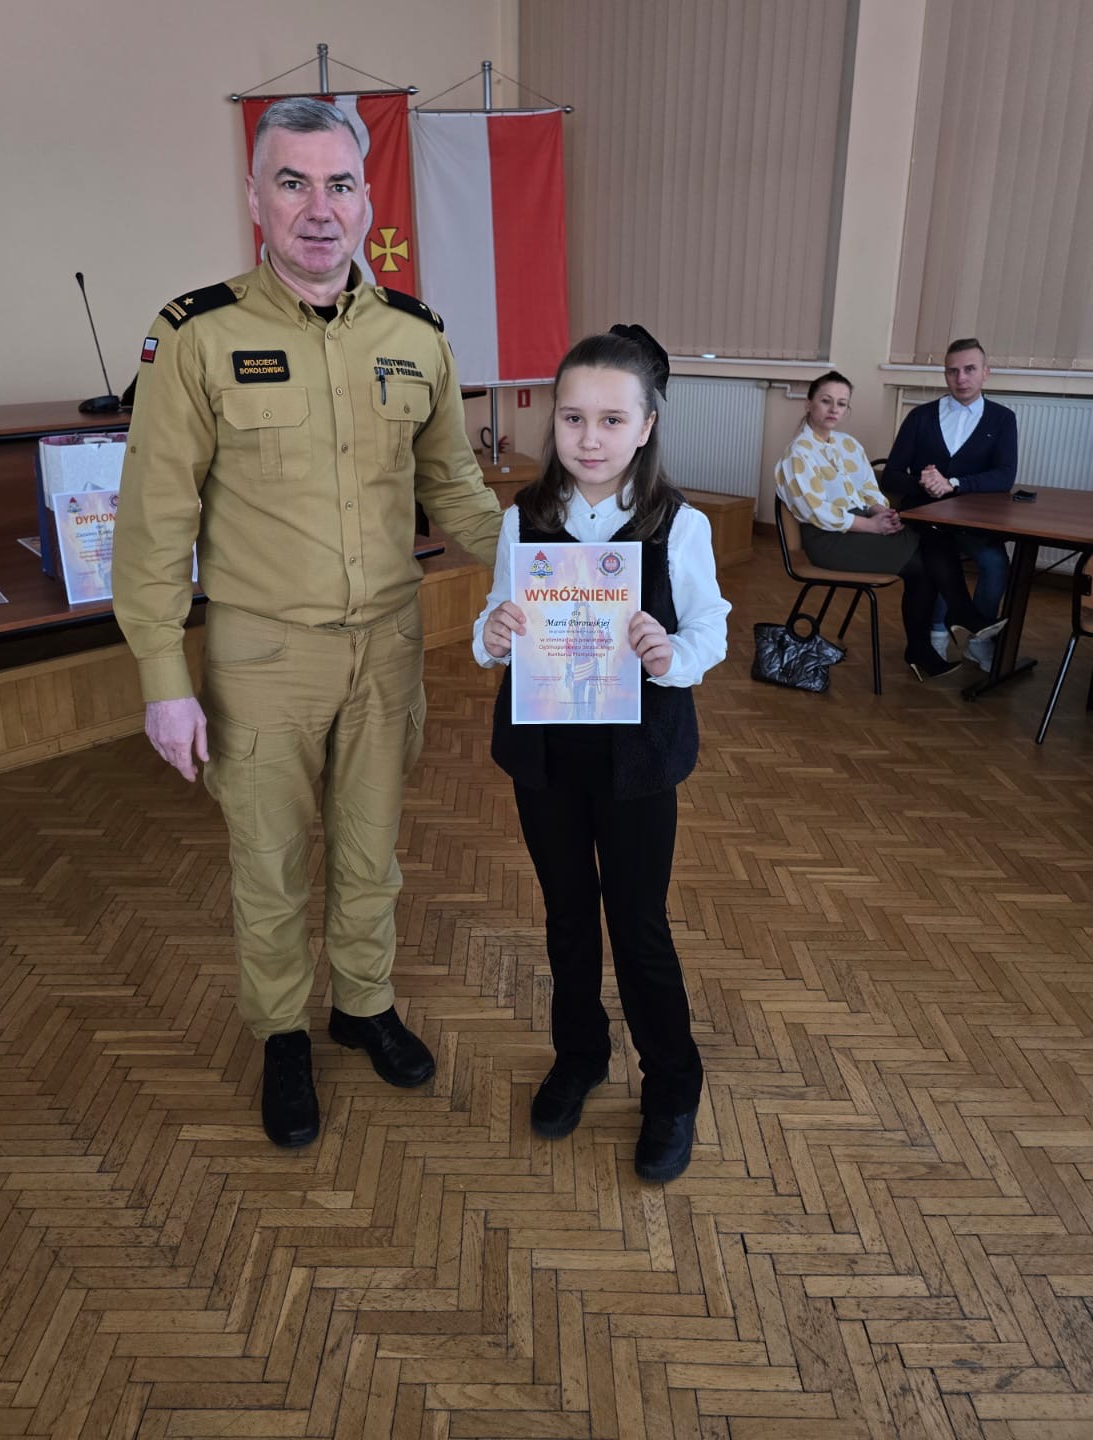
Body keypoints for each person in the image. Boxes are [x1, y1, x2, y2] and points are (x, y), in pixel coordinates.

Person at [112, 97, 504, 1151]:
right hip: (263, 656)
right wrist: (162, 679)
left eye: (338, 184)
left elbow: (456, 489)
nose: (318, 208)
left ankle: (363, 1004)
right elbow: (154, 522)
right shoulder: (195, 335)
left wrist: (561, 568)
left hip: (387, 647)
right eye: (293, 183)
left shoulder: (415, 335)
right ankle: (282, 1031)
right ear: (255, 197)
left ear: (368, 199)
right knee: (272, 861)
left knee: (372, 849)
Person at [473, 325, 730, 1183]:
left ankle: (672, 1086)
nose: (590, 438)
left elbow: (710, 628)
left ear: (647, 426)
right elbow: (496, 618)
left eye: (612, 420)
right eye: (574, 418)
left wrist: (670, 653)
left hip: (637, 760)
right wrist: (492, 633)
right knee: (567, 917)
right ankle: (579, 1055)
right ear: (554, 421)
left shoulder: (678, 524)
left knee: (639, 925)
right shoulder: (525, 518)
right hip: (547, 756)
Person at [774, 372, 1004, 681]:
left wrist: (883, 511)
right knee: (925, 555)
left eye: (841, 403)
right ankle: (956, 618)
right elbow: (818, 511)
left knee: (930, 548)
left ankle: (930, 642)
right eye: (826, 401)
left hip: (860, 526)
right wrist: (871, 526)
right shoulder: (798, 454)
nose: (833, 409)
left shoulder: (847, 444)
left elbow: (869, 488)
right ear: (808, 404)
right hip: (828, 539)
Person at [881, 337, 1017, 670]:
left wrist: (953, 483)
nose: (961, 378)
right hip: (923, 517)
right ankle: (938, 633)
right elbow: (891, 475)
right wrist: (924, 483)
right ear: (945, 374)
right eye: (952, 371)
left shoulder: (1002, 419)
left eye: (969, 369)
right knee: (938, 553)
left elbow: (1004, 476)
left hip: (974, 520)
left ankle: (978, 641)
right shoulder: (920, 416)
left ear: (985, 372)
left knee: (996, 564)